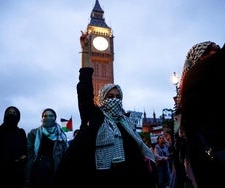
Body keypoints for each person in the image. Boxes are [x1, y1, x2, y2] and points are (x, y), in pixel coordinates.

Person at [53, 32, 156, 188]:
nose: (114, 99)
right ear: (101, 98)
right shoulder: (94, 116)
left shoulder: (125, 122)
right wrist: (86, 51)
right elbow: (85, 87)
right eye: (109, 96)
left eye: (117, 96)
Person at [177, 2, 225, 187]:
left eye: (217, 51)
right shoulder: (196, 75)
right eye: (209, 52)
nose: (214, 54)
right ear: (197, 60)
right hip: (221, 163)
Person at [24, 108, 68, 188]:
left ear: (55, 118)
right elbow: (29, 153)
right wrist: (28, 173)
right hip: (38, 167)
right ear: (42, 118)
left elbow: (65, 154)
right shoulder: (34, 133)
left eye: (51, 116)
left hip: (55, 166)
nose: (48, 118)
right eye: (45, 116)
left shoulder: (60, 135)